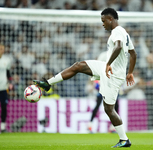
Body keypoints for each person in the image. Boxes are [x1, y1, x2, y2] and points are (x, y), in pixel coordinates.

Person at [33, 8, 137, 148]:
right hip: (108, 69)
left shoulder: (117, 32)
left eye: (103, 21)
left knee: (109, 109)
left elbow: (118, 47)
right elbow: (133, 54)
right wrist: (130, 72)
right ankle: (48, 83)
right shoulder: (124, 32)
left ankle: (124, 140)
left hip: (113, 75)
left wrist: (109, 64)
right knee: (78, 66)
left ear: (110, 19)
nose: (102, 24)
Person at [0, 43, 13, 133]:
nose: (2, 50)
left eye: (3, 49)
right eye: (0, 48)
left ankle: (3, 127)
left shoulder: (6, 60)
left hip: (3, 87)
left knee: (4, 107)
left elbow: (8, 73)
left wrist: (10, 83)